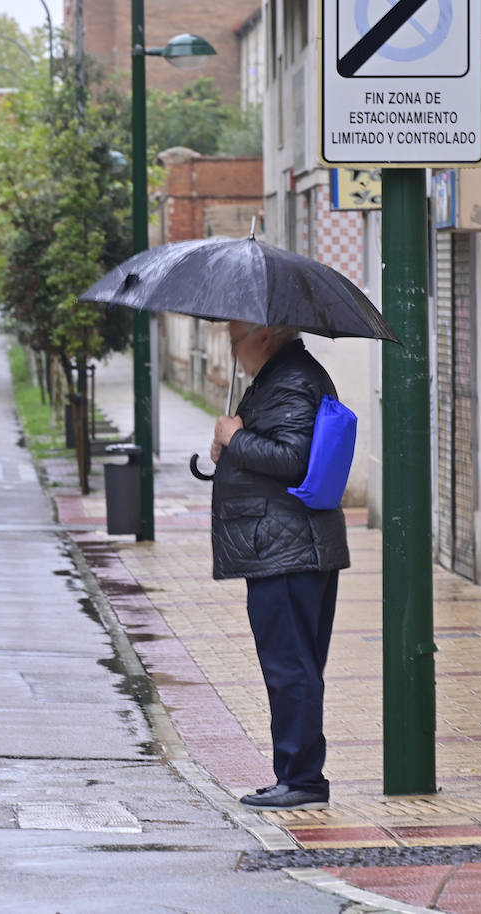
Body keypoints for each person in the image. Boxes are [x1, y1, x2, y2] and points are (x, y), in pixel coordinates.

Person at [210, 321, 350, 811]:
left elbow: (292, 458)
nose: (233, 352)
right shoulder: (283, 378)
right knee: (297, 667)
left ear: (264, 336)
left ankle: (301, 778)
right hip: (288, 546)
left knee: (291, 669)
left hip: (287, 550)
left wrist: (236, 439)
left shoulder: (291, 379)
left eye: (235, 341)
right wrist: (230, 446)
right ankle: (298, 774)